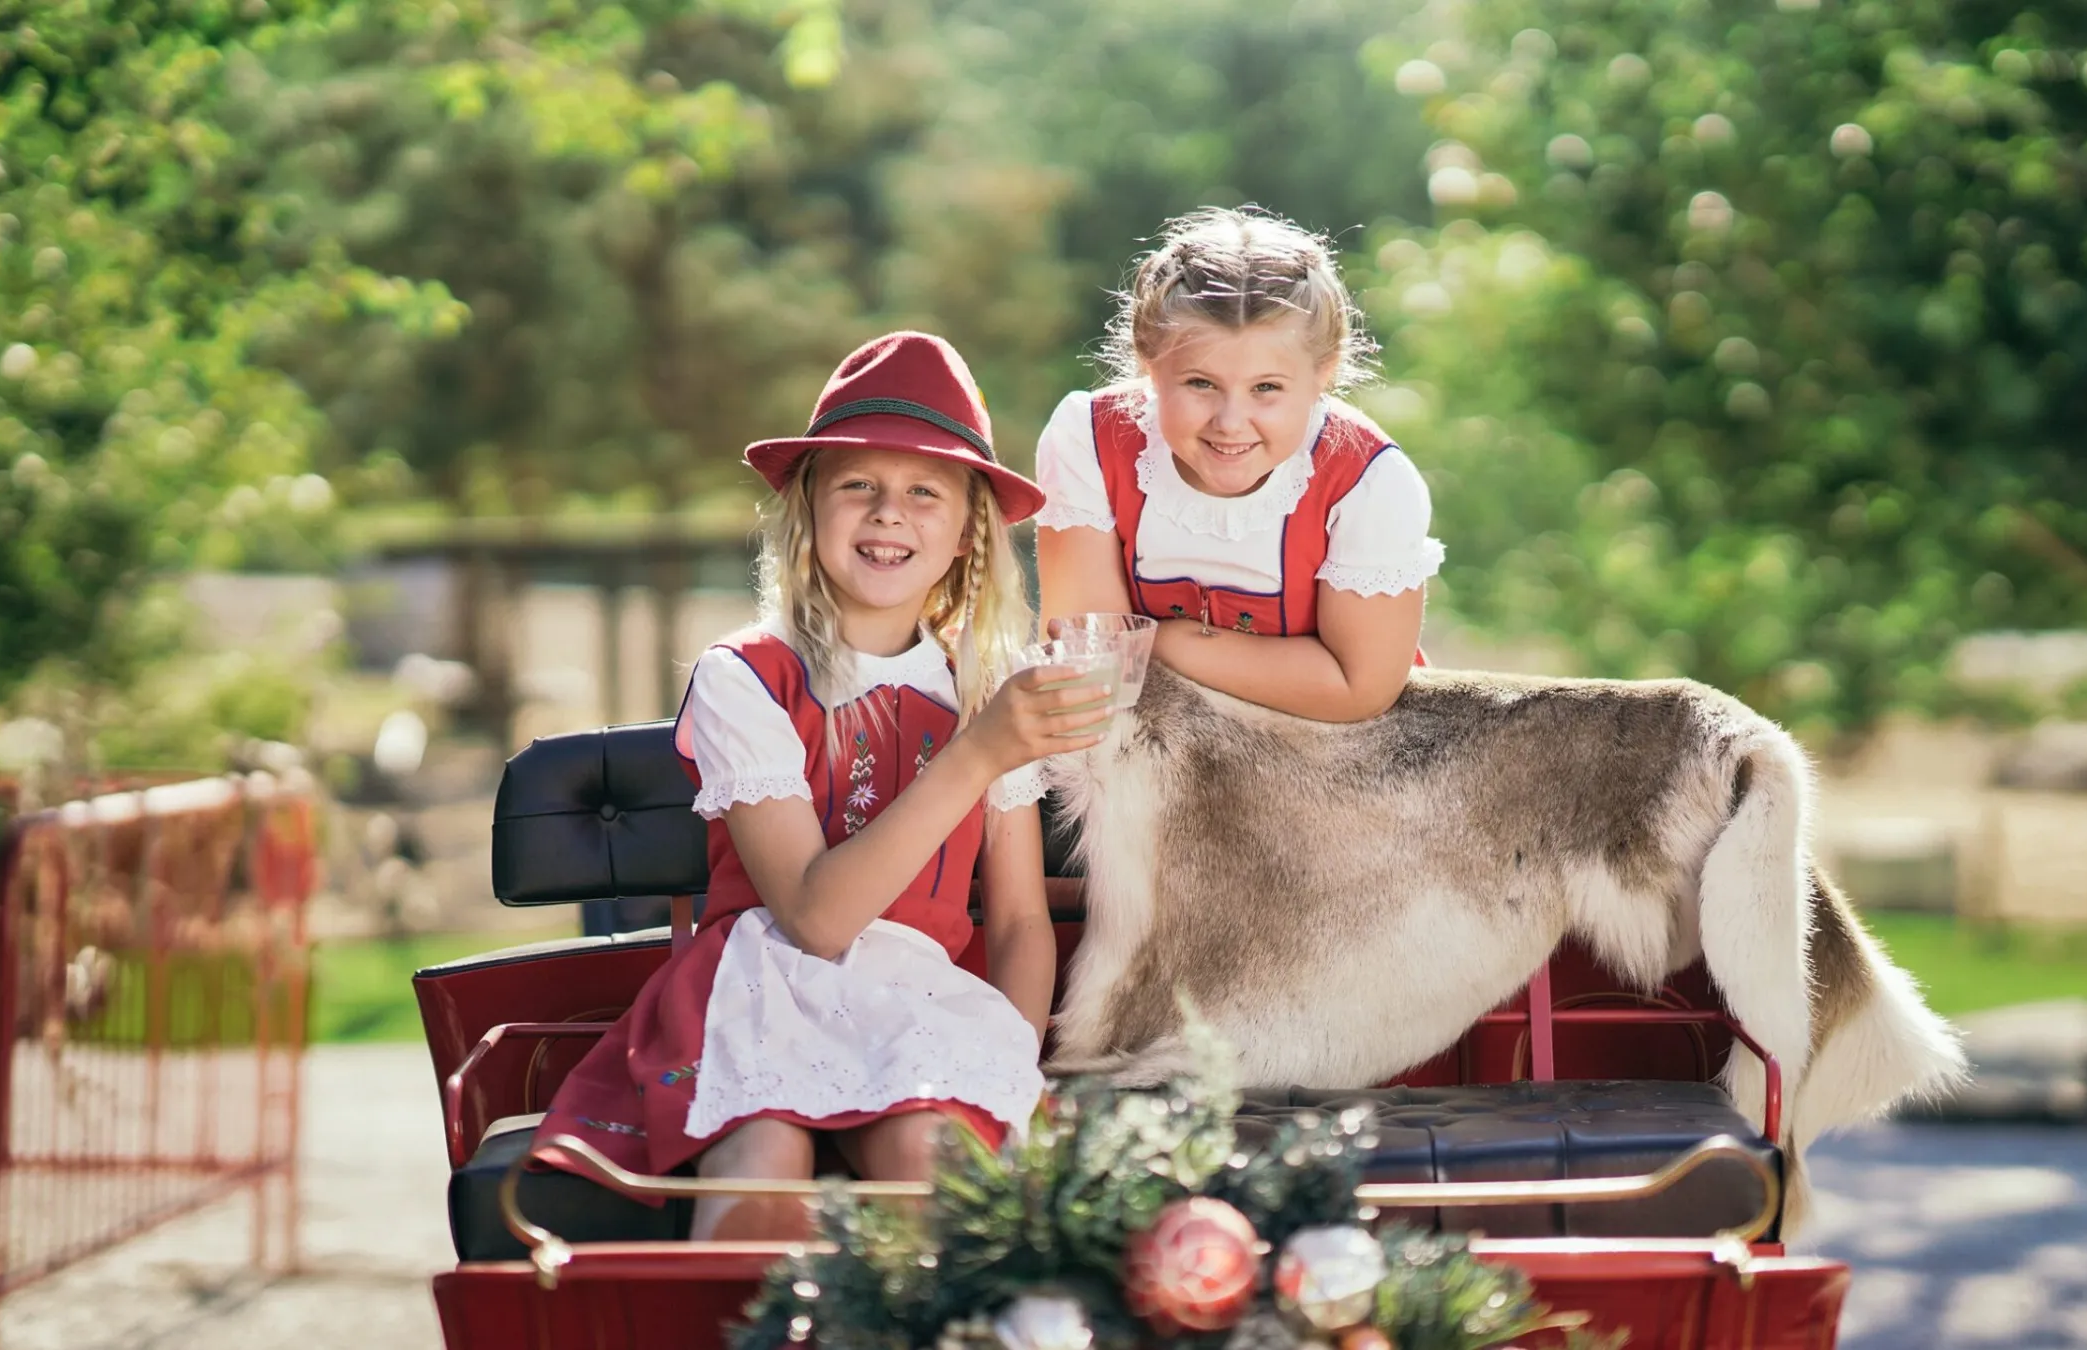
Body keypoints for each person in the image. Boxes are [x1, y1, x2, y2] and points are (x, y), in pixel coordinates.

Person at [532, 332, 1108, 1240]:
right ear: (808, 510)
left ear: (966, 536)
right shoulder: (746, 677)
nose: (890, 514)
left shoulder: (989, 690)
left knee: (937, 1166)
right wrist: (977, 753)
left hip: (921, 1001)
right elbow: (815, 919)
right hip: (761, 986)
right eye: (859, 487)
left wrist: (1005, 1063)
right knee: (759, 1171)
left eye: (926, 492)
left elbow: (1022, 922)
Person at [1034, 207, 1442, 723]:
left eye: (1266, 389)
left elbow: (1359, 689)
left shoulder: (1367, 480)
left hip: (1338, 768)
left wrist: (1169, 642)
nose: (1231, 422)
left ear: (1325, 372)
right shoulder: (1088, 440)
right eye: (1200, 384)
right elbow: (1093, 671)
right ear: (1148, 362)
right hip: (1145, 759)